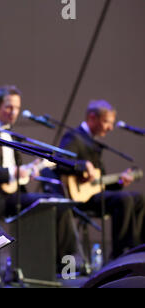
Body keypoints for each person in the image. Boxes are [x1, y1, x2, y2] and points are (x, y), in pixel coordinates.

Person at [0, 85, 79, 262]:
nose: (14, 112)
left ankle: (60, 266)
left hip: (17, 194)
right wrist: (12, 173)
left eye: (17, 108)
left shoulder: (11, 133)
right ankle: (57, 266)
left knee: (60, 204)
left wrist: (30, 170)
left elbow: (18, 169)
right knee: (53, 205)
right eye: (9, 107)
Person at [58, 100, 145, 259]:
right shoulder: (74, 137)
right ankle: (120, 254)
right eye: (106, 122)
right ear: (92, 118)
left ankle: (137, 247)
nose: (110, 128)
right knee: (124, 199)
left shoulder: (94, 142)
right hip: (80, 198)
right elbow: (59, 161)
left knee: (139, 198)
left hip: (95, 194)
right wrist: (83, 165)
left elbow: (99, 182)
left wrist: (119, 182)